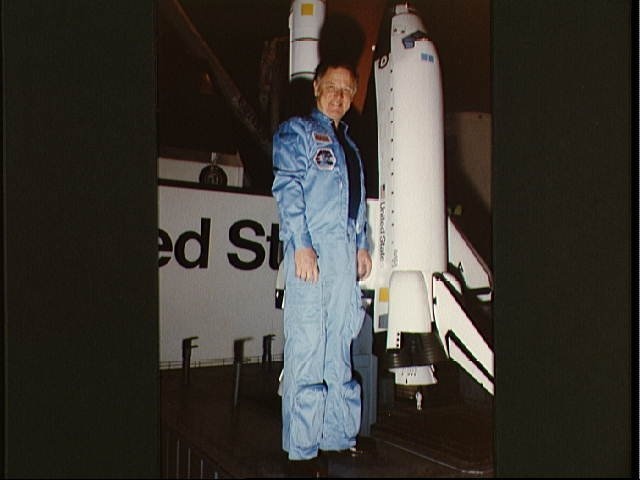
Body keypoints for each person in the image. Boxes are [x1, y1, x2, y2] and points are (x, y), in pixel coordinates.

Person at [272, 60, 372, 462]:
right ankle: (301, 450)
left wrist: (361, 244)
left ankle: (337, 436)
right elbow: (288, 186)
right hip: (312, 250)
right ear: (316, 88)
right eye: (332, 87)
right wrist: (300, 244)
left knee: (339, 348)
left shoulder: (350, 146)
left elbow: (357, 203)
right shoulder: (296, 131)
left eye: (347, 91)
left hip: (345, 253)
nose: (339, 97)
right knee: (308, 347)